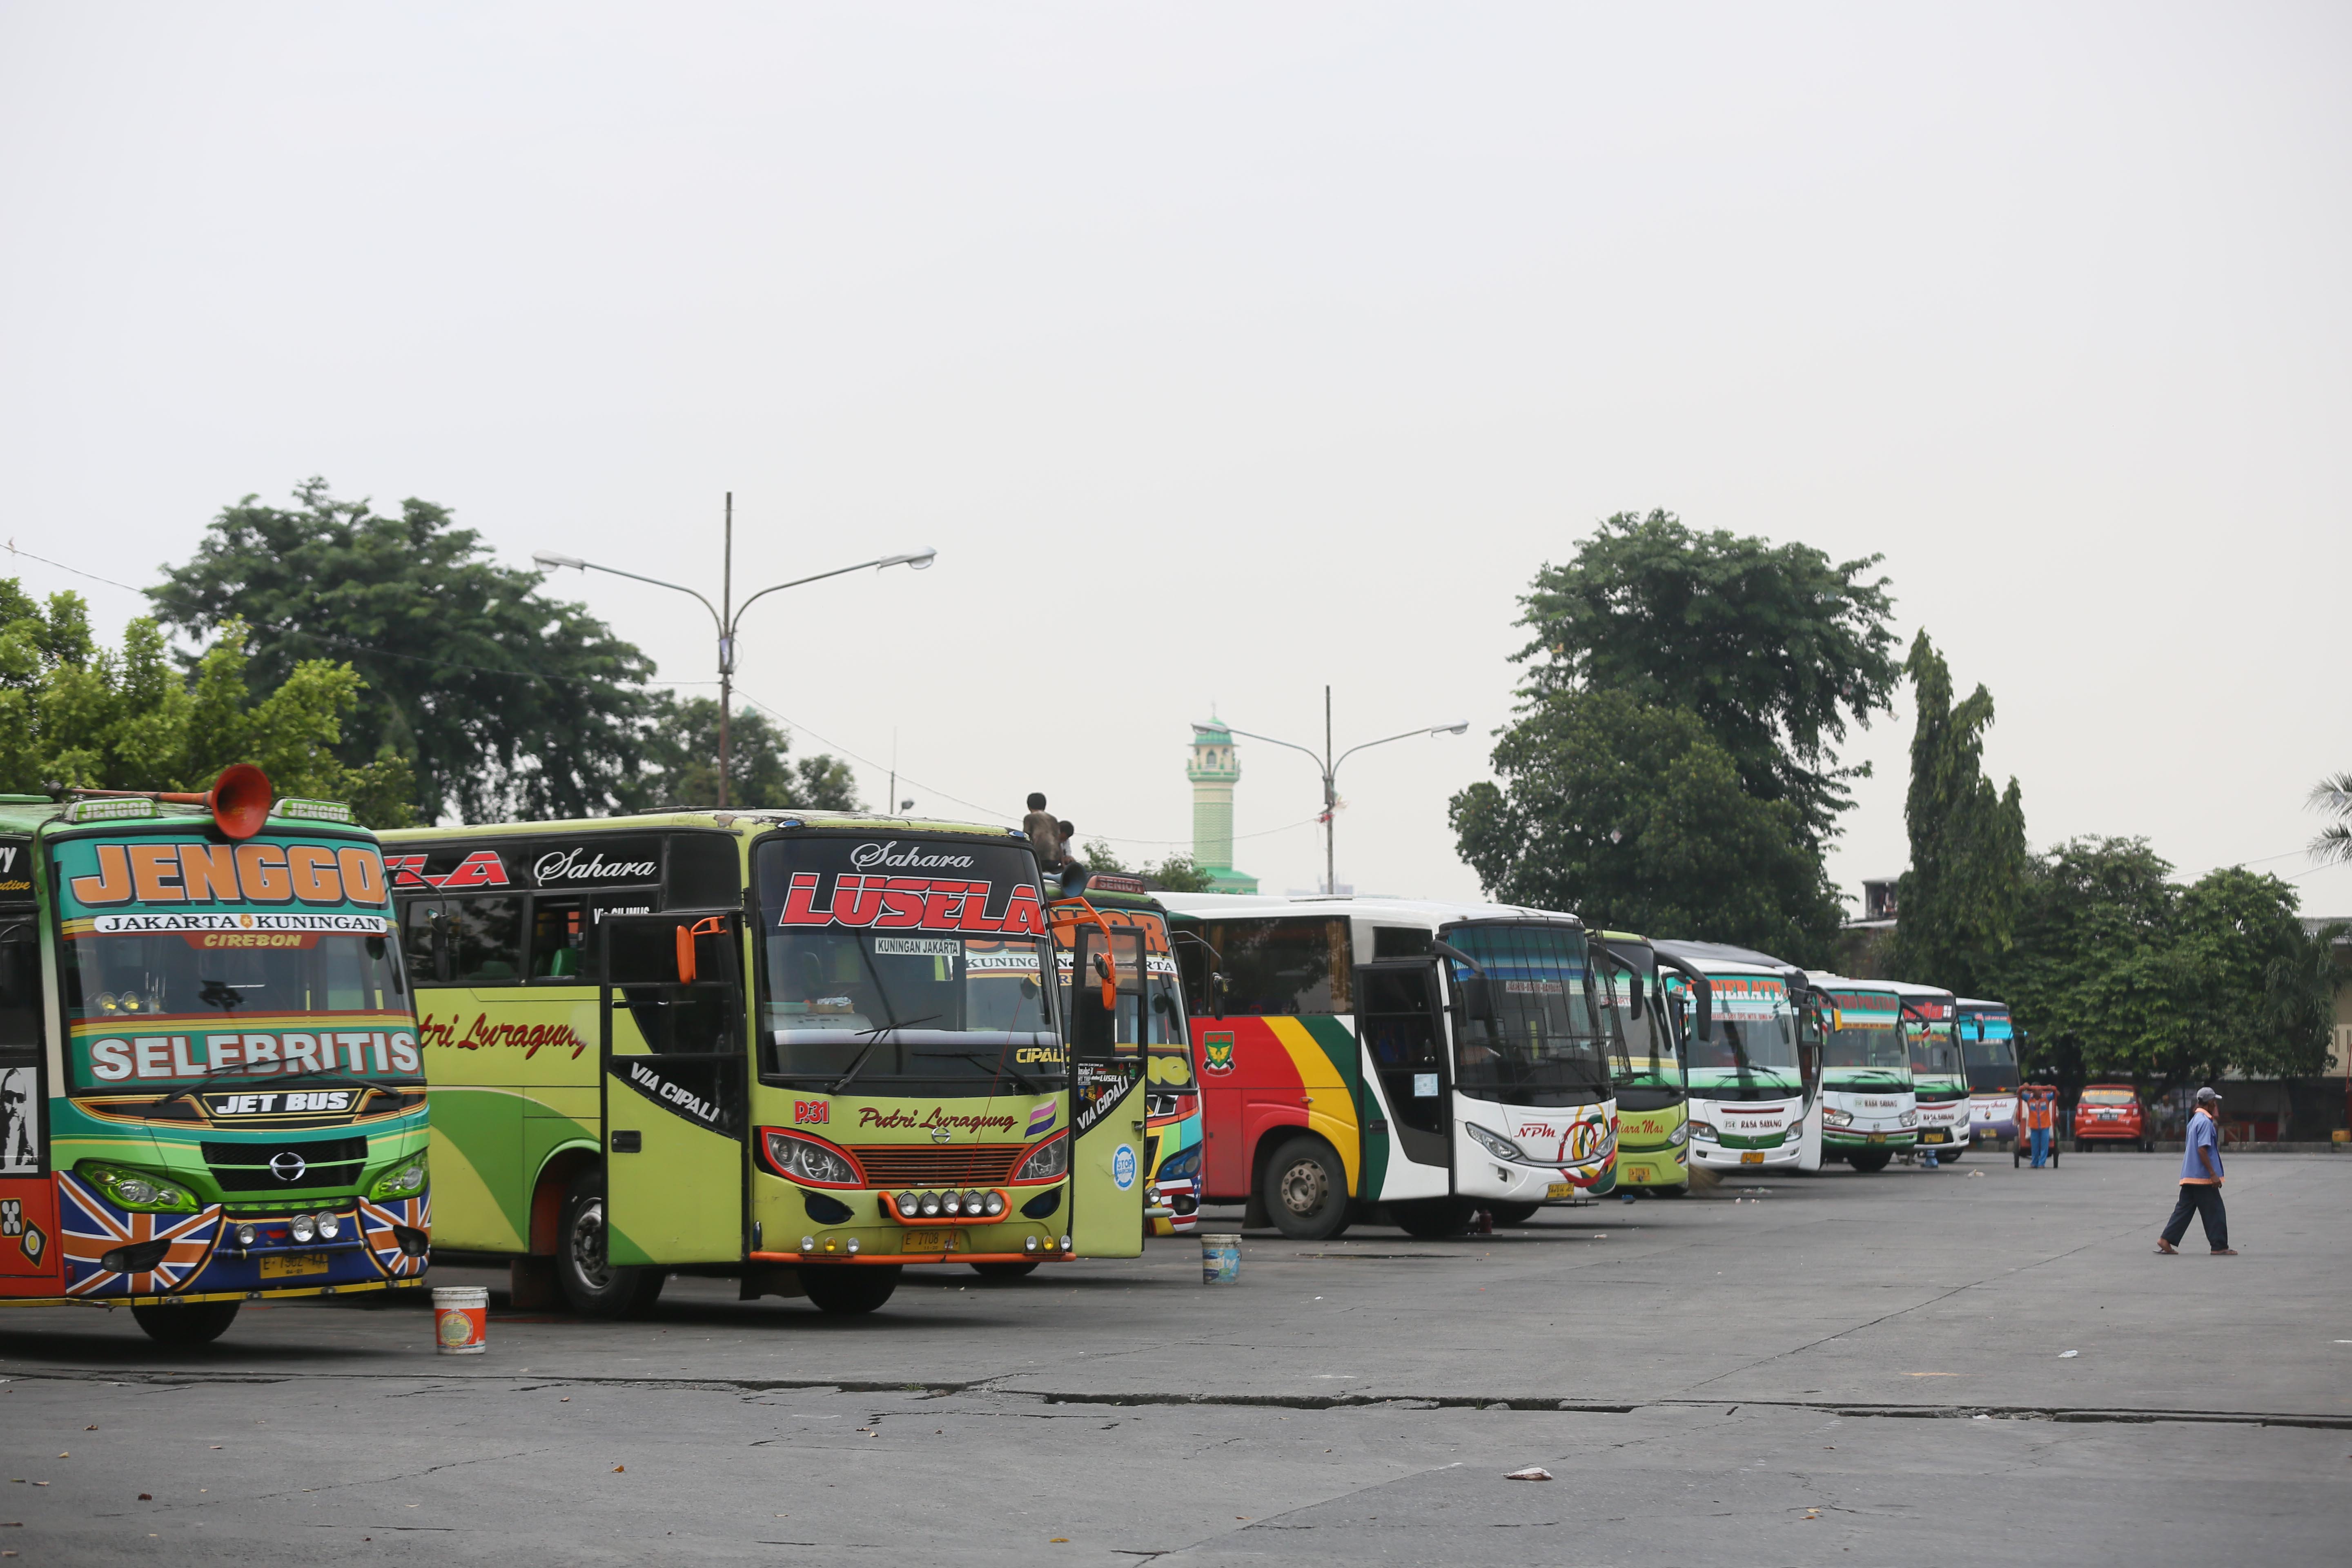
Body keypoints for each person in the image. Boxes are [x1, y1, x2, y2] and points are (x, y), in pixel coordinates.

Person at [2157, 1087, 2234, 1255]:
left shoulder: (2195, 1120)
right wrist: (2213, 1175)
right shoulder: (2206, 1122)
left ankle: (2166, 1239)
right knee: (2215, 1210)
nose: (2216, 1105)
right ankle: (2219, 1246)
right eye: (2215, 1102)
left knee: (2184, 1210)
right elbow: (2202, 1150)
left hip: (2189, 1175)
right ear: (2210, 1103)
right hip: (2202, 1177)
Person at [2020, 1078, 2058, 1167]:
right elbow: (2019, 1094)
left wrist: (2052, 1089)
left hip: (2045, 1126)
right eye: (2036, 1090)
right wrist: (2024, 1088)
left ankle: (2042, 1164)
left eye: (2040, 1090)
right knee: (2035, 1147)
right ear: (2033, 1091)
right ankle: (2034, 1163)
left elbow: (2057, 1094)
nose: (2039, 1092)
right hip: (2034, 1127)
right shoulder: (2029, 1098)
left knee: (2045, 1146)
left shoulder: (2047, 1097)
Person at [1022, 793, 1059, 868]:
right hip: (1055, 858)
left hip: (1039, 857)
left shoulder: (1029, 818)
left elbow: (1026, 837)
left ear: (1029, 806)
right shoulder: (1053, 819)